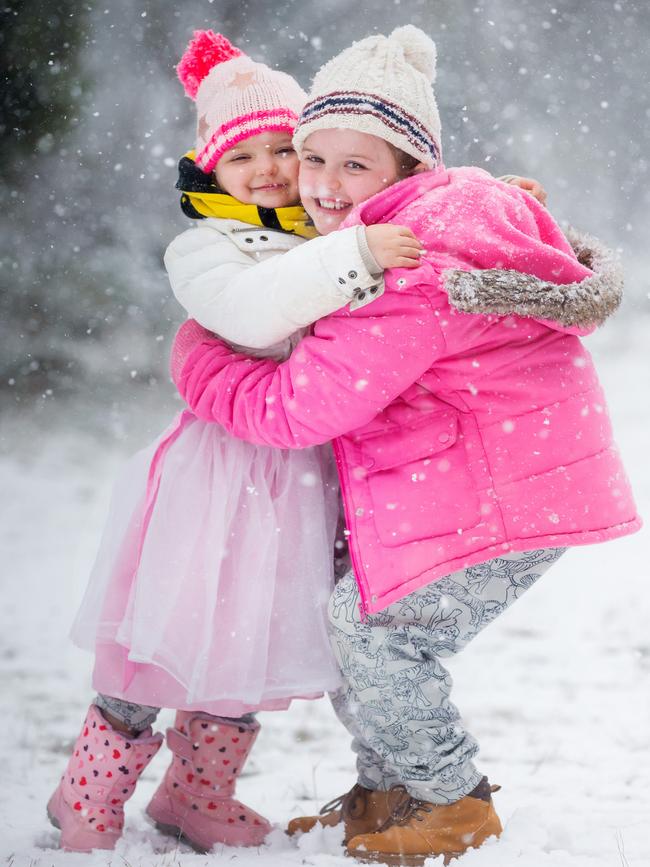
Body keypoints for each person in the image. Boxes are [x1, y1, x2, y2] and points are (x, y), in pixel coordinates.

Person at [170, 26, 641, 865]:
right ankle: (388, 791)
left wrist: (204, 364)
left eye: (357, 165)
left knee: (372, 632)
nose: (323, 185)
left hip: (505, 491)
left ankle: (451, 799)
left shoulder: (413, 269)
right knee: (359, 620)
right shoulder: (410, 229)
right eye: (314, 160)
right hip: (482, 479)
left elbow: (297, 409)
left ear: (407, 173)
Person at [46, 30, 427, 855]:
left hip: (299, 476)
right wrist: (353, 253)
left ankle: (197, 791)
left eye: (282, 148)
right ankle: (90, 787)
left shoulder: (334, 228)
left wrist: (495, 201)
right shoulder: (203, 249)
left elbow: (409, 207)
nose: (265, 168)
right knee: (170, 631)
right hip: (218, 474)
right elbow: (260, 311)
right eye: (241, 153)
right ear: (208, 168)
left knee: (248, 632)